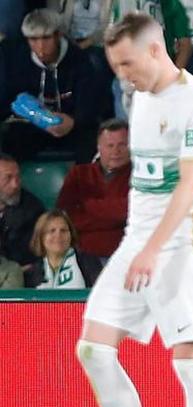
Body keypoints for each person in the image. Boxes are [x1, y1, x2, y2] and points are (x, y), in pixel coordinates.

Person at [76, 13, 193, 407]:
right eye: (115, 65)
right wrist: (138, 243)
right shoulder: (139, 99)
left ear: (156, 51)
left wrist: (152, 247)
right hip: (139, 242)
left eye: (127, 63)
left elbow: (189, 185)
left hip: (183, 243)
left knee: (190, 361)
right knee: (93, 348)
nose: (122, 74)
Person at [0, 8, 100, 163]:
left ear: (58, 35)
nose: (40, 46)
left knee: (90, 139)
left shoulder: (79, 60)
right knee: (11, 141)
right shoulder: (18, 59)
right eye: (33, 39)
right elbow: (8, 98)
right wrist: (29, 114)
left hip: (71, 124)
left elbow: (90, 103)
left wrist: (73, 121)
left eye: (46, 38)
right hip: (31, 124)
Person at [56, 119, 131, 261]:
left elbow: (131, 213)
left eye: (122, 144)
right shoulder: (78, 174)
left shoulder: (139, 176)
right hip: (81, 255)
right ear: (99, 147)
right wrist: (114, 214)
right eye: (110, 145)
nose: (116, 151)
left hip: (124, 256)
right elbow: (68, 217)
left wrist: (87, 206)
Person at [26, 209, 103, 288]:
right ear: (41, 237)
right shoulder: (33, 273)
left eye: (63, 230)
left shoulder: (88, 263)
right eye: (52, 231)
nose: (58, 235)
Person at [0, 153, 46, 268]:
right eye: (8, 178)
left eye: (18, 177)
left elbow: (29, 256)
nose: (16, 185)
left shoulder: (32, 210)